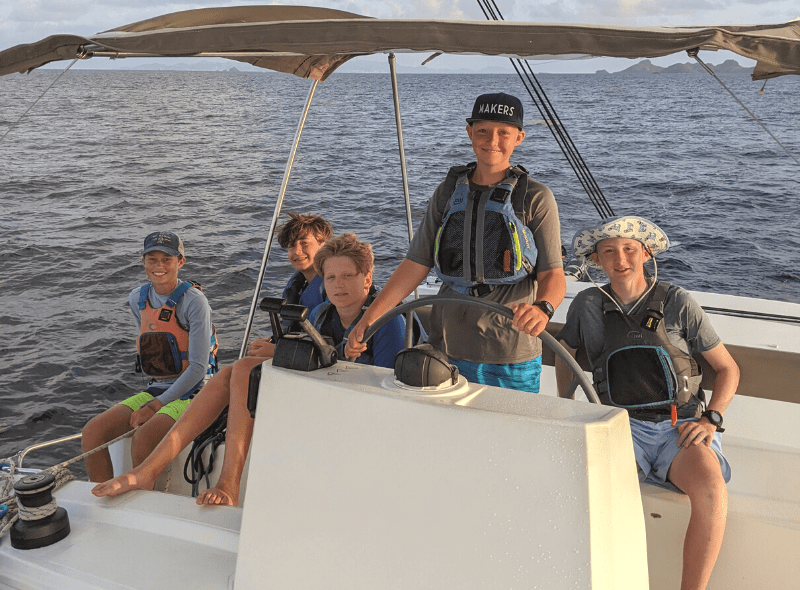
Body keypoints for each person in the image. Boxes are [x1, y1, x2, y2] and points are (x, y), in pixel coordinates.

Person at [92, 231, 406, 506]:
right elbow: (315, 359)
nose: (338, 285)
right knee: (237, 370)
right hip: (321, 398)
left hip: (359, 419)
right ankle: (148, 472)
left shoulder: (389, 324)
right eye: (331, 277)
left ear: (367, 278)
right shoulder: (324, 313)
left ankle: (225, 483)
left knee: (242, 371)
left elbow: (383, 394)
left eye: (348, 276)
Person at [555, 216, 739, 590]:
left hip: (680, 426)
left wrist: (712, 419)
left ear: (646, 253)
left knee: (711, 490)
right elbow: (565, 353)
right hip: (619, 425)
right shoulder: (588, 304)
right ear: (597, 260)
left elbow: (727, 368)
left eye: (628, 249)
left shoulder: (678, 302)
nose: (620, 259)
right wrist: (567, 404)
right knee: (580, 486)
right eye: (608, 252)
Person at [346, 92, 566, 393]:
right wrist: (368, 319)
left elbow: (553, 274)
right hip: (445, 348)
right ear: (469, 133)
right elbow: (416, 263)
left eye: (504, 132)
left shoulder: (536, 198)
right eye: (483, 131)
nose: (492, 141)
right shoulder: (448, 192)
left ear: (519, 137)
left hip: (510, 352)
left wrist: (543, 308)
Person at [81, 231, 215, 482]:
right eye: (152, 259)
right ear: (143, 262)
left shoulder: (195, 302)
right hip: (157, 387)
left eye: (167, 259)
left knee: (144, 438)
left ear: (180, 262)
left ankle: (141, 504)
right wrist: (155, 399)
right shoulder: (137, 299)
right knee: (93, 433)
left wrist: (155, 406)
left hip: (195, 392)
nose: (159, 266)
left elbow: (198, 367)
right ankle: (103, 504)